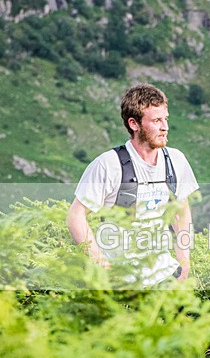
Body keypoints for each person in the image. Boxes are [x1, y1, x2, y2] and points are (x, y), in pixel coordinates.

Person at [67, 83, 199, 286]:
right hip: (121, 280)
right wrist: (100, 263)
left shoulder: (176, 160)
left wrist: (183, 260)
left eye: (165, 119)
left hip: (165, 275)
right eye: (156, 120)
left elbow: (180, 212)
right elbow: (76, 217)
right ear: (134, 124)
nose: (165, 127)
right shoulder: (109, 164)